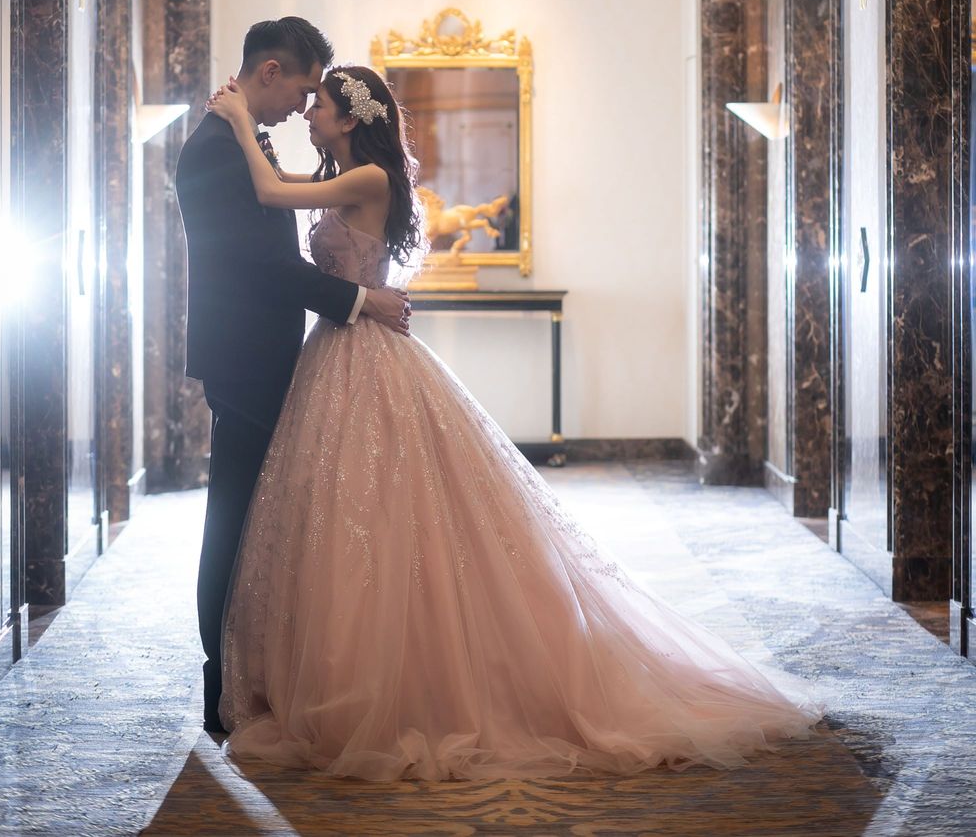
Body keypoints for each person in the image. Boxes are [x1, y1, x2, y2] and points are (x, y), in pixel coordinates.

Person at [208, 64, 821, 780]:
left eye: (319, 104)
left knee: (388, 505)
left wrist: (240, 121)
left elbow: (269, 191)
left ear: (349, 120)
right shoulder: (344, 176)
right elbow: (282, 197)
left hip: (367, 355)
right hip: (335, 352)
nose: (309, 112)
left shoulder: (369, 179)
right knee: (342, 510)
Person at [175, 19, 409, 736]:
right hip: (247, 362)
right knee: (235, 519)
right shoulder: (218, 148)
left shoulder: (244, 140)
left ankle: (285, 669)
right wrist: (362, 300)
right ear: (271, 72)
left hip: (287, 357)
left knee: (285, 518)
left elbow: (277, 214)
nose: (305, 109)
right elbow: (266, 266)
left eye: (320, 100)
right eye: (304, 91)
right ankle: (224, 683)